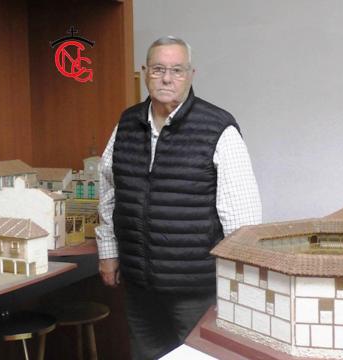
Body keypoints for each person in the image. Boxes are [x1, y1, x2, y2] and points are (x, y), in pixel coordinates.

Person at [96, 36, 262, 359]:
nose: (167, 78)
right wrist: (108, 252)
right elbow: (108, 192)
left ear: (191, 74)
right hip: (140, 287)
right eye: (158, 69)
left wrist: (240, 288)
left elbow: (243, 223)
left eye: (177, 70)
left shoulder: (218, 129)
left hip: (196, 290)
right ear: (145, 72)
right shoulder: (127, 124)